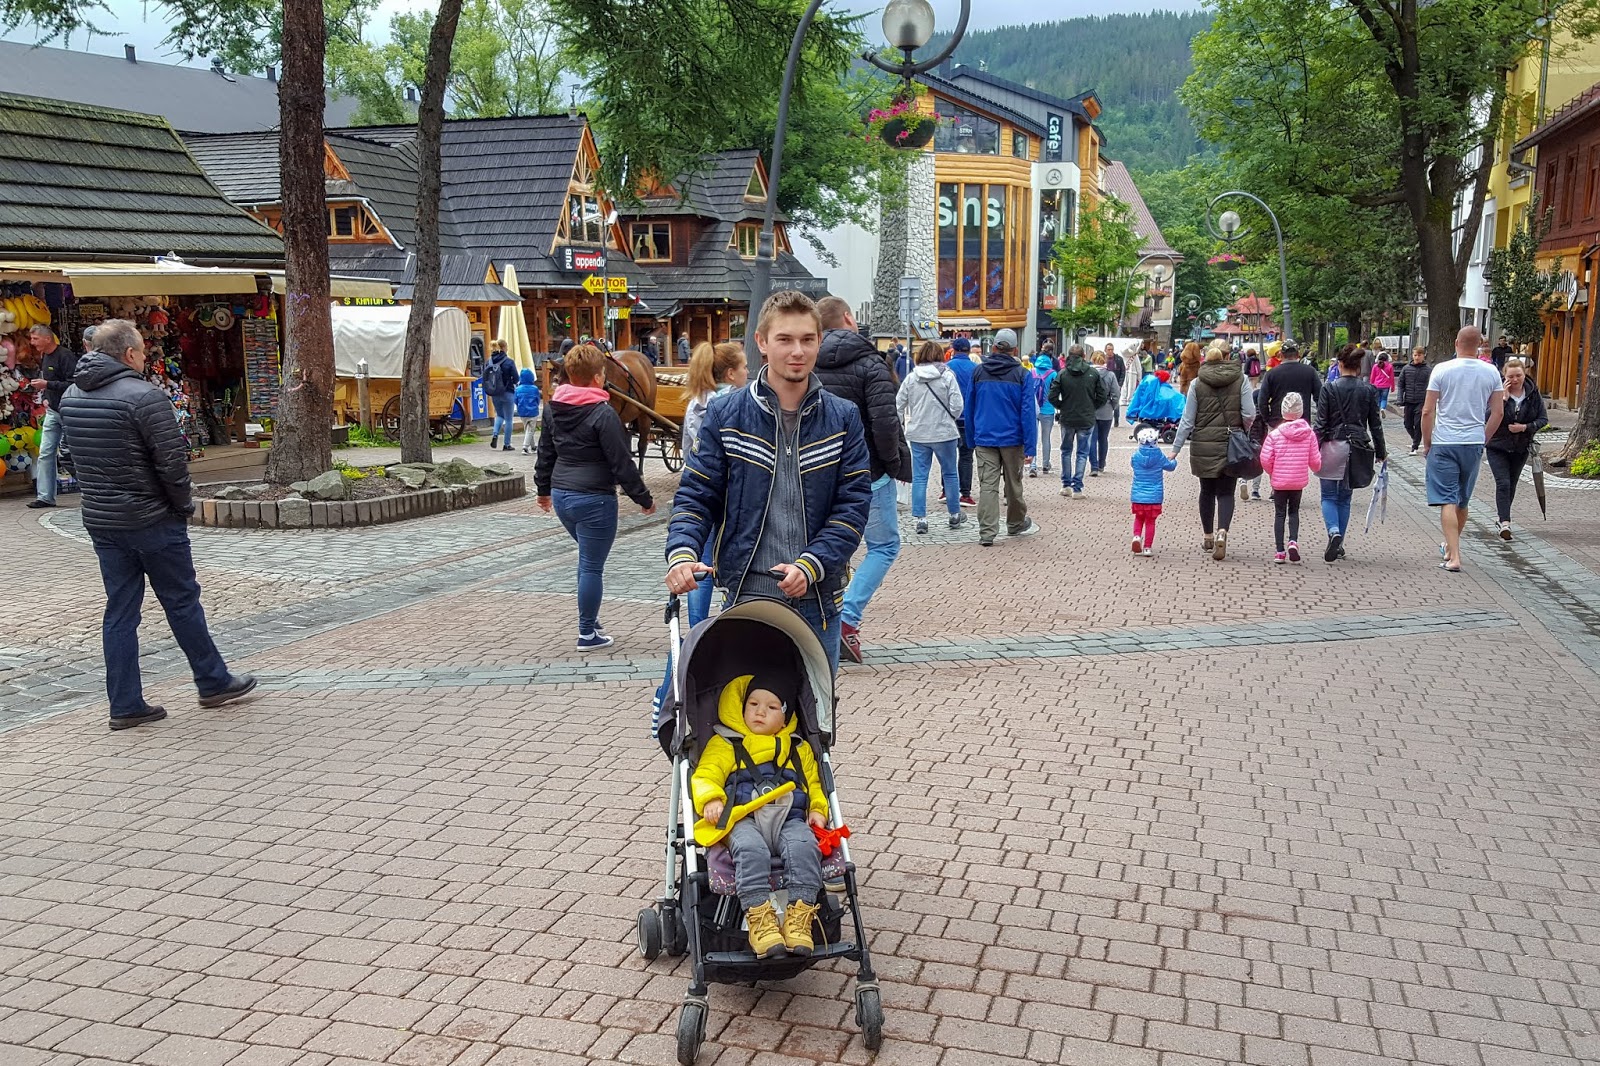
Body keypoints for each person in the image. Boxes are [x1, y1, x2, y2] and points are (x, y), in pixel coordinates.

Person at [56, 319, 256, 730]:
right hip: (152, 518)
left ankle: (125, 703)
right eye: (143, 351)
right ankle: (213, 680)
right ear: (129, 353)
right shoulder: (144, 396)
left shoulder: (72, 395)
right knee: (181, 601)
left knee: (120, 611)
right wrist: (181, 508)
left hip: (102, 519)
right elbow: (171, 463)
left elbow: (70, 457)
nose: (146, 357)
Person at [664, 290, 871, 674]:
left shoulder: (843, 418)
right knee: (741, 708)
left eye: (807, 339)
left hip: (817, 601)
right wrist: (682, 552)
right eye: (785, 339)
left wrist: (811, 564)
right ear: (761, 342)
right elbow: (696, 495)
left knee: (816, 711)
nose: (797, 351)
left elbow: (853, 506)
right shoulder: (727, 414)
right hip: (747, 597)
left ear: (819, 341)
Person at [691, 675, 828, 958]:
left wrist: (817, 809)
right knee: (750, 849)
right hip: (743, 819)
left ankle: (799, 916)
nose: (760, 712)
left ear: (786, 717)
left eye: (772, 707)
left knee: (805, 847)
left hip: (789, 818)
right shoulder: (726, 743)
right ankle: (760, 919)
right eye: (753, 704)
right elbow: (706, 774)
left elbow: (814, 784)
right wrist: (712, 798)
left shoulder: (797, 748)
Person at [535, 343, 656, 651]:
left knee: (587, 559)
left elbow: (545, 452)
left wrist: (543, 490)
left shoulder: (552, 409)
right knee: (591, 566)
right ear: (598, 377)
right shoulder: (603, 414)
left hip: (563, 496)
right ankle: (587, 633)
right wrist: (643, 498)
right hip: (595, 499)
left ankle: (590, 618)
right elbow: (621, 461)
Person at [814, 296, 911, 666]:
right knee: (884, 545)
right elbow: (885, 423)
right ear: (849, 318)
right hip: (868, 472)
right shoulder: (872, 363)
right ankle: (847, 617)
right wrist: (892, 464)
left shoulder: (807, 362)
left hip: (819, 472)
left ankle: (818, 619)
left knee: (826, 545)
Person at [1424, 326, 1505, 573]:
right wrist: (1483, 438)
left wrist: (1427, 442)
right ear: (1479, 345)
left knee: (1447, 499)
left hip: (1444, 441)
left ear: (1456, 343)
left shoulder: (1441, 369)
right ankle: (1450, 549)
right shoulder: (1491, 372)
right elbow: (1498, 412)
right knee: (1462, 499)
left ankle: (1454, 556)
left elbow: (1427, 410)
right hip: (1472, 442)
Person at [1170, 340, 1255, 561]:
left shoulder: (1197, 383)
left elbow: (1187, 420)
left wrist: (1176, 448)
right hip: (1231, 443)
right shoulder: (1241, 379)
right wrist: (1241, 430)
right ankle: (1222, 531)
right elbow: (1249, 413)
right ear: (1227, 356)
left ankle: (1208, 536)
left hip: (1203, 443)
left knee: (1206, 491)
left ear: (1206, 357)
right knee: (1226, 492)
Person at [967, 328, 1040, 546]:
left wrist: (970, 438)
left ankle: (987, 532)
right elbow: (1027, 412)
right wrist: (1030, 446)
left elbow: (969, 407)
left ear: (994, 348)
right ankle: (1015, 523)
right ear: (1015, 350)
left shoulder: (978, 372)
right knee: (1013, 485)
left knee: (988, 486)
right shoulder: (1022, 375)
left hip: (984, 437)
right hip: (1012, 439)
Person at [1315, 344, 1387, 563]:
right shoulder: (1369, 390)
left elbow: (1321, 423)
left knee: (1328, 495)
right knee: (1345, 498)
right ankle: (1339, 544)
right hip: (1356, 448)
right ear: (1358, 367)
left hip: (1332, 445)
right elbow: (1375, 424)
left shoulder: (1329, 388)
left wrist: (1313, 449)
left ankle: (1333, 531)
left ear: (1340, 364)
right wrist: (1381, 451)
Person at [897, 340, 966, 534]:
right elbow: (957, 405)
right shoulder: (947, 376)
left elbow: (898, 404)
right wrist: (950, 417)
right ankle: (954, 514)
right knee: (950, 473)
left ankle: (921, 519)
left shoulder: (911, 378)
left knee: (920, 476)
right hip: (944, 433)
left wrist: (902, 424)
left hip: (919, 433)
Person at [1485, 358, 1547, 541]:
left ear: (1524, 374)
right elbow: (1487, 416)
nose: (1515, 380)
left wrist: (1525, 427)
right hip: (1497, 446)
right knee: (1503, 483)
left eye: (1518, 375)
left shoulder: (1533, 394)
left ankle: (1502, 517)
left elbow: (1543, 419)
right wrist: (1503, 400)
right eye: (1510, 377)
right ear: (1504, 377)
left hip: (1521, 447)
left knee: (1511, 484)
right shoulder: (1497, 392)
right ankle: (1505, 522)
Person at [1259, 391, 1321, 564]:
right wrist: (1315, 468)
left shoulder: (1275, 435)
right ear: (1301, 411)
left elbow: (1265, 458)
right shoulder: (1309, 434)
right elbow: (1315, 461)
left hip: (1279, 481)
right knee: (1294, 512)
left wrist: (1272, 472)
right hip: (1298, 481)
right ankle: (1293, 541)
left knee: (1280, 514)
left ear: (1283, 411)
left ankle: (1280, 551)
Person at [24, 325, 79, 510]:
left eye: (35, 339)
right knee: (46, 452)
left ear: (47, 339)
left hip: (68, 411)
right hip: (52, 411)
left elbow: (74, 384)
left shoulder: (65, 356)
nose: (32, 342)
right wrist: (46, 397)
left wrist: (47, 385)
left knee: (72, 453)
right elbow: (49, 384)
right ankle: (45, 497)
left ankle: (90, 490)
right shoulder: (44, 356)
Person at [1048, 343, 1105, 498]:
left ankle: (1066, 485)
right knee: (1082, 453)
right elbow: (1102, 395)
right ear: (1084, 356)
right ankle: (1077, 488)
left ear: (1068, 356)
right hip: (1086, 418)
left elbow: (1052, 395)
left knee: (1066, 451)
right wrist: (1092, 407)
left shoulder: (1063, 374)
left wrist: (1061, 406)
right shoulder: (1093, 373)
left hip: (1067, 417)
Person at [1130, 426, 1177, 557]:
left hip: (1138, 495)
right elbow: (1170, 467)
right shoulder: (1159, 456)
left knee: (1138, 518)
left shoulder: (1135, 456)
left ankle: (1136, 536)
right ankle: (1147, 547)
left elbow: (1132, 464)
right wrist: (1174, 460)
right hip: (1154, 497)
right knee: (1150, 522)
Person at [945, 338, 978, 505]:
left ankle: (946, 490)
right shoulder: (976, 369)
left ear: (954, 350)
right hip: (969, 418)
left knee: (948, 455)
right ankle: (965, 493)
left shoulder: (946, 367)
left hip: (949, 418)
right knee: (966, 456)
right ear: (968, 350)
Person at [479, 340, 520, 451]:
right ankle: (507, 444)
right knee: (509, 419)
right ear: (504, 348)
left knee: (500, 415)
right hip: (507, 392)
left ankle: (495, 434)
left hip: (494, 393)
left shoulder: (489, 362)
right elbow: (516, 379)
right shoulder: (509, 362)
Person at [1396, 348, 1431, 454]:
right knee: (1407, 424)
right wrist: (1400, 398)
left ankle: (1415, 445)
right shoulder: (1406, 369)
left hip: (1421, 400)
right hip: (1409, 400)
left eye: (1419, 355)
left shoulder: (1428, 370)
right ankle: (1415, 438)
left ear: (1423, 356)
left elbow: (1431, 386)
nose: (1417, 357)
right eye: (1415, 355)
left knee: (1418, 423)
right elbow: (1401, 384)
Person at [1090, 352, 1118, 476]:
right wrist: (1112, 406)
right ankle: (1101, 464)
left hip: (1091, 409)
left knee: (1092, 439)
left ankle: (1093, 466)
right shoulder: (1110, 375)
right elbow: (1116, 393)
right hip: (1106, 410)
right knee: (1103, 439)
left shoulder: (1088, 374)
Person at [1028, 353, 1056, 477]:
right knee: (1046, 438)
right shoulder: (1053, 374)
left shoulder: (1031, 372)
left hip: (1033, 409)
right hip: (1048, 409)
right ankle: (1045, 464)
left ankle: (1032, 465)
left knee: (1033, 438)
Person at [515, 367, 542, 454]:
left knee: (528, 430)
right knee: (530, 430)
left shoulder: (518, 389)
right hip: (533, 411)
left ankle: (533, 447)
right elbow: (537, 399)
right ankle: (525, 447)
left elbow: (515, 400)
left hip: (522, 412)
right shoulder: (534, 388)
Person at [1106, 344, 1128, 425]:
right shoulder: (1103, 359)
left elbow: (1123, 372)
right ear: (1105, 350)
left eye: (1112, 349)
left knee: (1116, 402)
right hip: (1106, 384)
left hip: (1116, 384)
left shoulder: (1118, 359)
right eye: (1109, 349)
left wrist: (1120, 384)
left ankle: (1116, 419)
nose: (1110, 351)